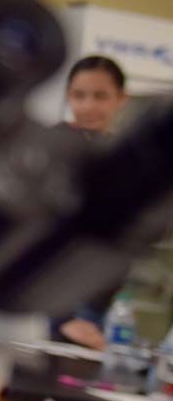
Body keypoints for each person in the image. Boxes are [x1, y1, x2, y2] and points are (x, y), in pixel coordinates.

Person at [51, 55, 127, 349]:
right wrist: (62, 317)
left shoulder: (126, 156)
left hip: (98, 300)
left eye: (100, 96)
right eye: (79, 95)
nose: (88, 106)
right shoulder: (53, 147)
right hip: (46, 300)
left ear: (120, 99)